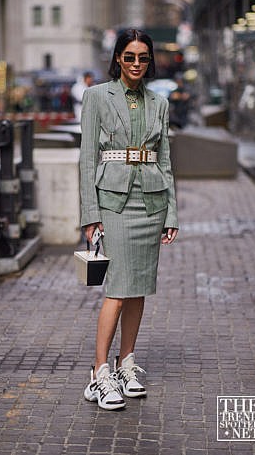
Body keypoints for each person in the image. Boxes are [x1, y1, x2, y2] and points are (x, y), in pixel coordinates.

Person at [79, 28, 178, 411]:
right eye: (130, 56)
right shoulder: (96, 97)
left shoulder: (159, 102)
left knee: (138, 287)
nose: (137, 63)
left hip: (150, 203)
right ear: (118, 58)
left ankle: (126, 363)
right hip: (114, 203)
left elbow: (166, 160)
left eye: (143, 58)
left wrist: (171, 212)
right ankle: (99, 372)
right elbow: (88, 158)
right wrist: (90, 214)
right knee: (117, 289)